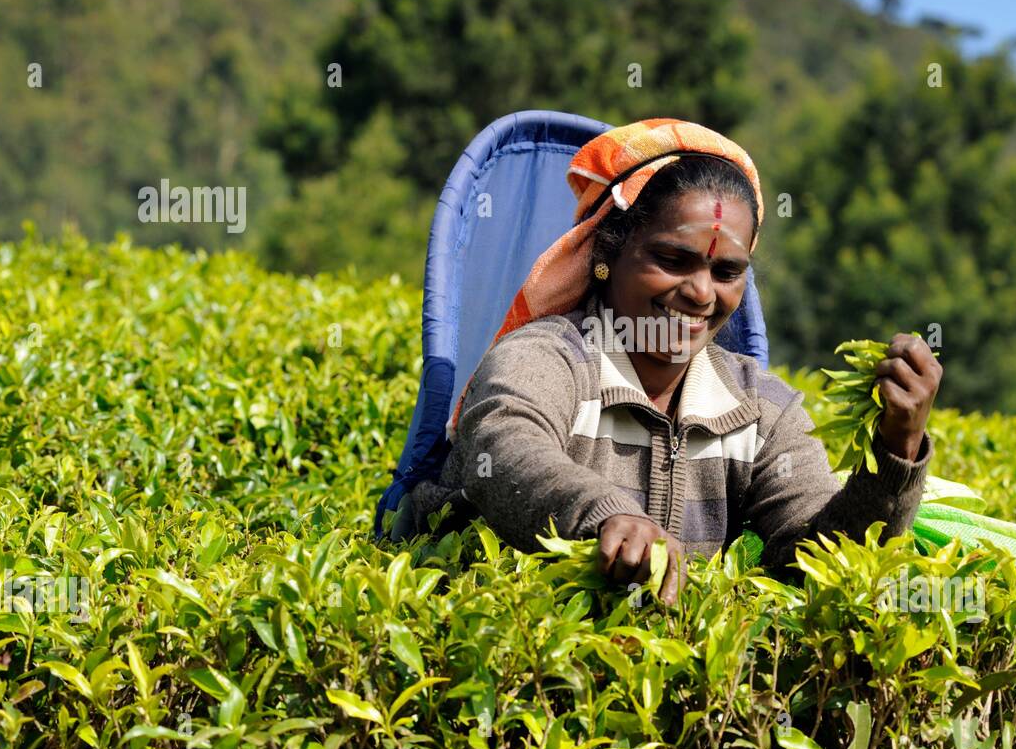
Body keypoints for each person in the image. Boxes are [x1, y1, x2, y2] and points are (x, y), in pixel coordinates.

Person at [390, 118, 943, 604]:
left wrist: (898, 448)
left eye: (726, 272)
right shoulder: (548, 356)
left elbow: (820, 566)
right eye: (672, 260)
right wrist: (606, 514)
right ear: (607, 256)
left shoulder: (760, 408)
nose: (702, 293)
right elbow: (504, 445)